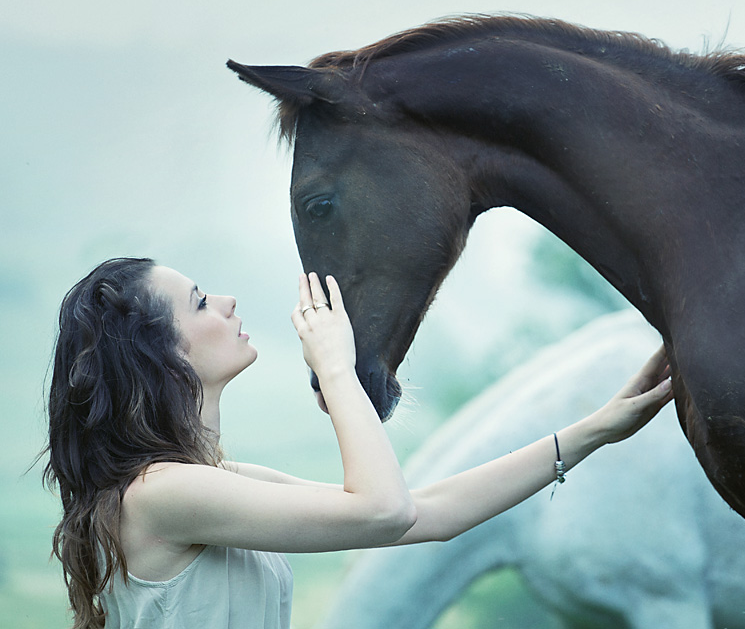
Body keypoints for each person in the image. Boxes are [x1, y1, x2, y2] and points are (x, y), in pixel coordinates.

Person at [44, 257, 673, 629]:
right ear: (162, 353)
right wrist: (338, 370)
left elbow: (426, 515)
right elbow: (383, 508)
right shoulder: (162, 495)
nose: (228, 301)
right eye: (202, 302)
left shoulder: (212, 484)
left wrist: (594, 430)